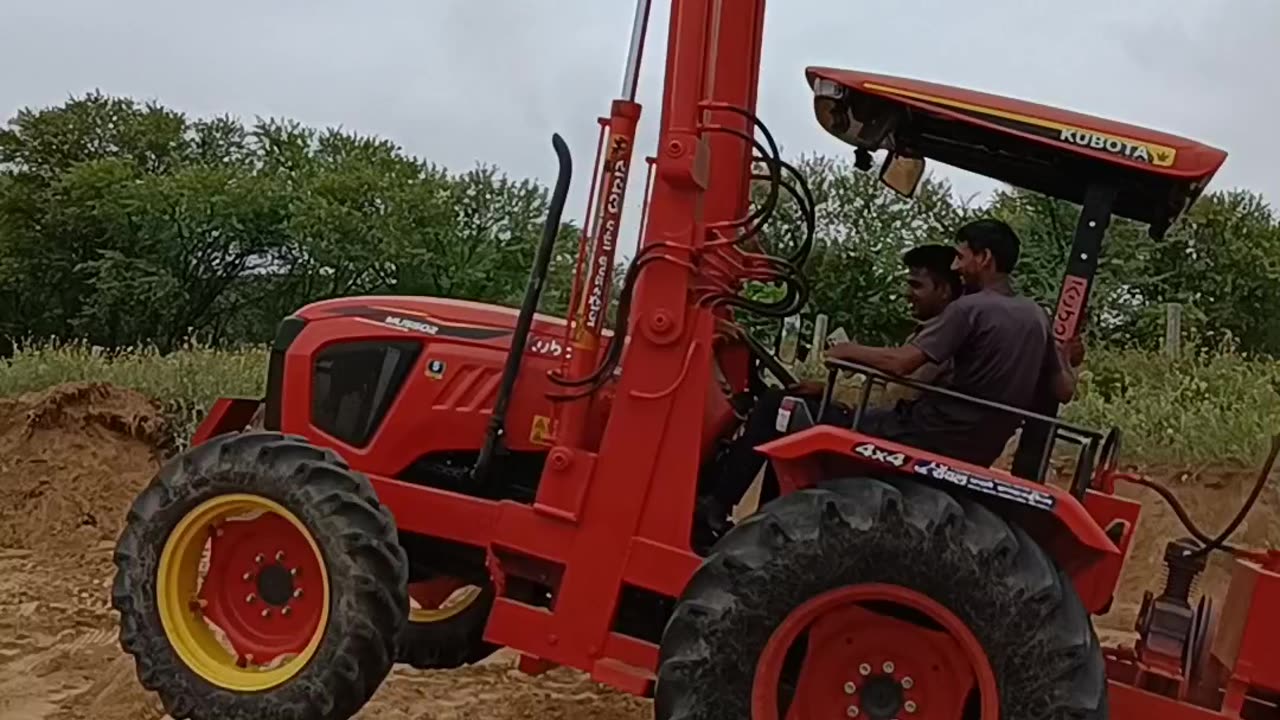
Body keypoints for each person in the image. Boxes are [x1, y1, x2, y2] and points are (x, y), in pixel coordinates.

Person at [695, 243, 963, 545]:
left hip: (892, 428)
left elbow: (895, 395)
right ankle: (765, 520)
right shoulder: (933, 329)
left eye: (917, 285)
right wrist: (826, 390)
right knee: (789, 415)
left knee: (776, 408)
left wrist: (848, 358)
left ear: (944, 291)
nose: (907, 293)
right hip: (891, 420)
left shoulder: (942, 336)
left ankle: (717, 506)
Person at [826, 218, 1081, 466]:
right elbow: (1064, 391)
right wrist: (1063, 353)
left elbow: (902, 364)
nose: (955, 268)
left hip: (932, 434)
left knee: (827, 420)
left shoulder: (968, 309)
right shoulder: (1036, 314)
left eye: (961, 257)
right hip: (982, 446)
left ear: (984, 258)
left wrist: (847, 350)